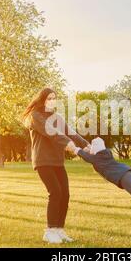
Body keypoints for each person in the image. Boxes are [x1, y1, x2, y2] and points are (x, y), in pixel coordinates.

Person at [21, 88, 90, 244]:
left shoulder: (57, 117)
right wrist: (68, 144)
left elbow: (71, 132)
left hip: (57, 161)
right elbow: (51, 132)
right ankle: (50, 231)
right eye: (49, 98)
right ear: (42, 100)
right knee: (55, 192)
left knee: (65, 194)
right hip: (43, 161)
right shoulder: (35, 117)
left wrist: (86, 145)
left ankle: (59, 230)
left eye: (54, 98)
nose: (52, 101)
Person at [74, 137, 131, 223]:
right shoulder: (106, 153)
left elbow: (87, 157)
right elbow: (92, 154)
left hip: (123, 176)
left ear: (95, 150)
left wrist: (76, 149)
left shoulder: (97, 159)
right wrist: (88, 150)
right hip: (130, 171)